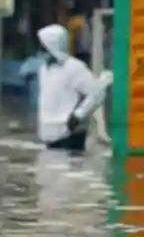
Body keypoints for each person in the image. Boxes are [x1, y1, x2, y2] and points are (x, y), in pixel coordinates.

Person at [35, 24, 107, 153]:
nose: (40, 50)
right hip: (49, 138)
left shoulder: (74, 68)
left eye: (43, 47)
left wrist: (78, 115)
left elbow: (98, 93)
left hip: (69, 136)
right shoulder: (43, 69)